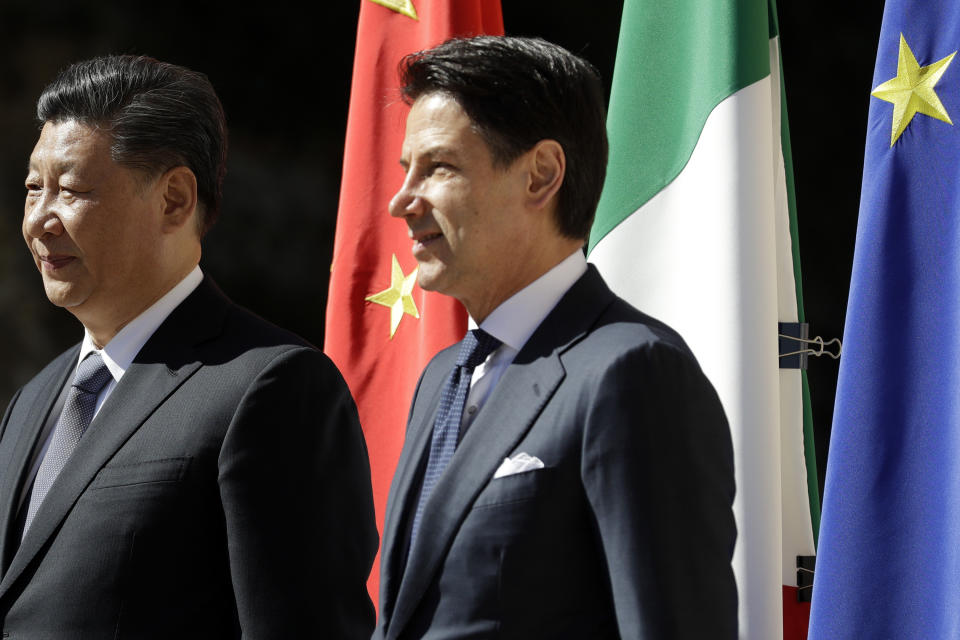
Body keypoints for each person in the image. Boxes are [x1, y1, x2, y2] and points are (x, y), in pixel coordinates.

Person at [0, 55, 377, 638]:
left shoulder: (269, 388)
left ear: (174, 199)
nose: (41, 221)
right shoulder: (31, 402)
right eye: (32, 190)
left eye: (72, 189)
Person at [374, 36, 738, 639]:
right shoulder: (444, 375)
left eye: (438, 167)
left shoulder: (633, 371)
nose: (401, 201)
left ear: (540, 175)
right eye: (406, 170)